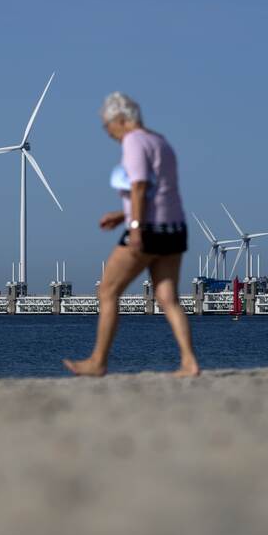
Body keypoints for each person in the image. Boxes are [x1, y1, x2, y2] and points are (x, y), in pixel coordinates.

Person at [64, 92, 200, 377]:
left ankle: (98, 361)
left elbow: (139, 186)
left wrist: (134, 227)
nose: (108, 132)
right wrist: (121, 214)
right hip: (174, 228)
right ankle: (189, 361)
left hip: (148, 229)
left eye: (107, 125)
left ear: (122, 120)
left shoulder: (134, 142)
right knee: (167, 297)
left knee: (108, 291)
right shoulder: (160, 141)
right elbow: (159, 192)